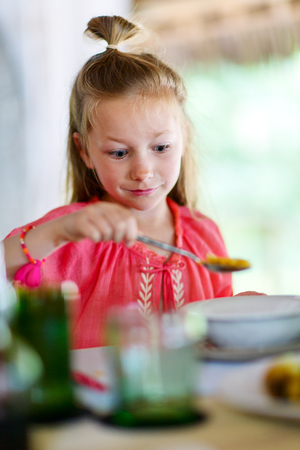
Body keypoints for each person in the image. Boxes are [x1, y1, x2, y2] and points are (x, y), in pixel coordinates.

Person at [3, 15, 235, 349]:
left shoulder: (205, 235)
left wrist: (243, 312)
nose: (142, 170)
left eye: (160, 147)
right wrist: (59, 232)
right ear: (84, 152)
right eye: (118, 153)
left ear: (184, 136)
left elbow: (219, 332)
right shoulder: (72, 235)